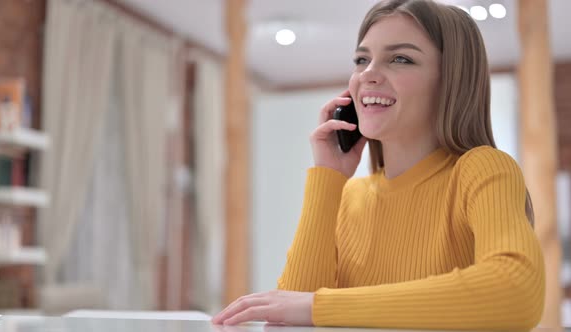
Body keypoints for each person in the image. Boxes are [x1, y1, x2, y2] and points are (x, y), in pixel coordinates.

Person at [213, 0, 545, 329]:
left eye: (400, 58)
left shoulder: (482, 169)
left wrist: (320, 305)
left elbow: (516, 289)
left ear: (451, 80)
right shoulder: (349, 195)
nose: (368, 74)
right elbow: (292, 319)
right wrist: (328, 178)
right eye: (361, 59)